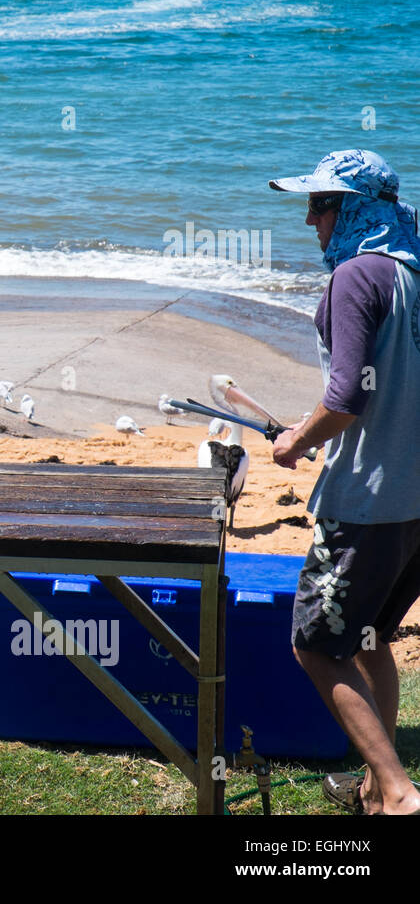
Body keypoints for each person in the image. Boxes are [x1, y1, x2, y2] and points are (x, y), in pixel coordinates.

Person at [269, 149, 420, 815]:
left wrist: (295, 442)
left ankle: (396, 790)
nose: (310, 219)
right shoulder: (412, 274)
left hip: (368, 501)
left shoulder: (357, 277)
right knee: (369, 638)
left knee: (315, 645)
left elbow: (345, 398)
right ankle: (370, 786)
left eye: (321, 204)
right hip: (415, 502)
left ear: (354, 209)